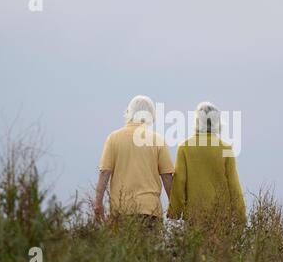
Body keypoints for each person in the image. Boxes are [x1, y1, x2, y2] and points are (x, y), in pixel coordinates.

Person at [95, 95, 174, 228]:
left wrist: (98, 204)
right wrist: (174, 205)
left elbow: (104, 173)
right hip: (151, 211)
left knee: (121, 249)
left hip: (120, 211)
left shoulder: (113, 138)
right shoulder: (157, 140)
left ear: (129, 113)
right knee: (151, 249)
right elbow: (167, 177)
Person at [167, 102, 246, 225]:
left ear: (197, 121)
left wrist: (174, 212)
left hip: (194, 217)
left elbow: (179, 182)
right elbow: (234, 184)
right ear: (217, 122)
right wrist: (241, 216)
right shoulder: (225, 148)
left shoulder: (185, 148)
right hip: (221, 217)